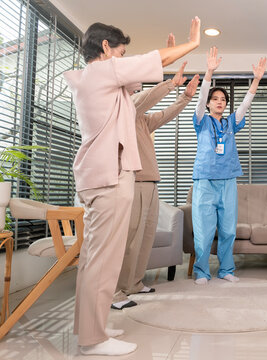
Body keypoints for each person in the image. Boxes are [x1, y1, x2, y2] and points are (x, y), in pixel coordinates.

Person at [63, 18, 200, 356]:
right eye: (121, 53)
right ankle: (92, 339)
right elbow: (153, 64)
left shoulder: (106, 85)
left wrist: (167, 71)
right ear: (105, 48)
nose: (123, 60)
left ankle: (89, 328)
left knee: (97, 259)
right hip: (108, 179)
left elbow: (142, 81)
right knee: (102, 260)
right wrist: (191, 43)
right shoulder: (100, 71)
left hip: (106, 177)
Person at [111, 57, 200, 310]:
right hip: (134, 181)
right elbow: (143, 101)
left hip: (150, 183)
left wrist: (185, 98)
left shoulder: (141, 118)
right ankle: (116, 291)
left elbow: (163, 114)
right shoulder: (124, 107)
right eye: (136, 80)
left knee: (145, 238)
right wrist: (171, 84)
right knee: (130, 239)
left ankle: (134, 284)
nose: (139, 84)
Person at [191, 46, 267, 285]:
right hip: (204, 180)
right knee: (203, 230)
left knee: (227, 229)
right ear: (209, 104)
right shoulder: (201, 120)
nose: (220, 102)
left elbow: (245, 104)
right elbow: (200, 97)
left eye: (223, 99)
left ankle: (226, 269)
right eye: (216, 99)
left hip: (228, 181)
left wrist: (256, 80)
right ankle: (201, 272)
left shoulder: (231, 123)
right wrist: (209, 73)